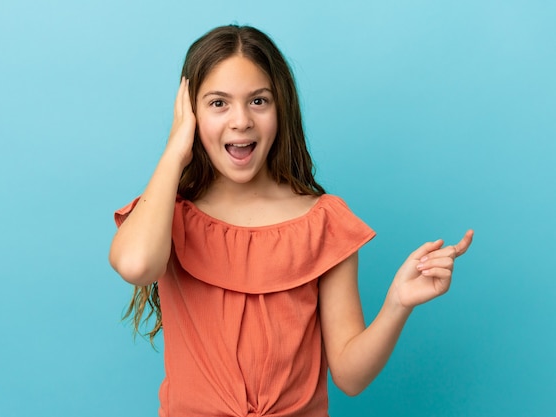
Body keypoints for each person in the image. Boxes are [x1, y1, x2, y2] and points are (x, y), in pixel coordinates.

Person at [109, 24, 473, 417]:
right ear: (190, 113)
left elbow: (350, 376)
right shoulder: (169, 213)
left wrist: (397, 304)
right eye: (218, 103)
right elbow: (136, 265)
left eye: (258, 101)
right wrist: (175, 150)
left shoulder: (323, 222)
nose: (241, 120)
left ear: (281, 108)